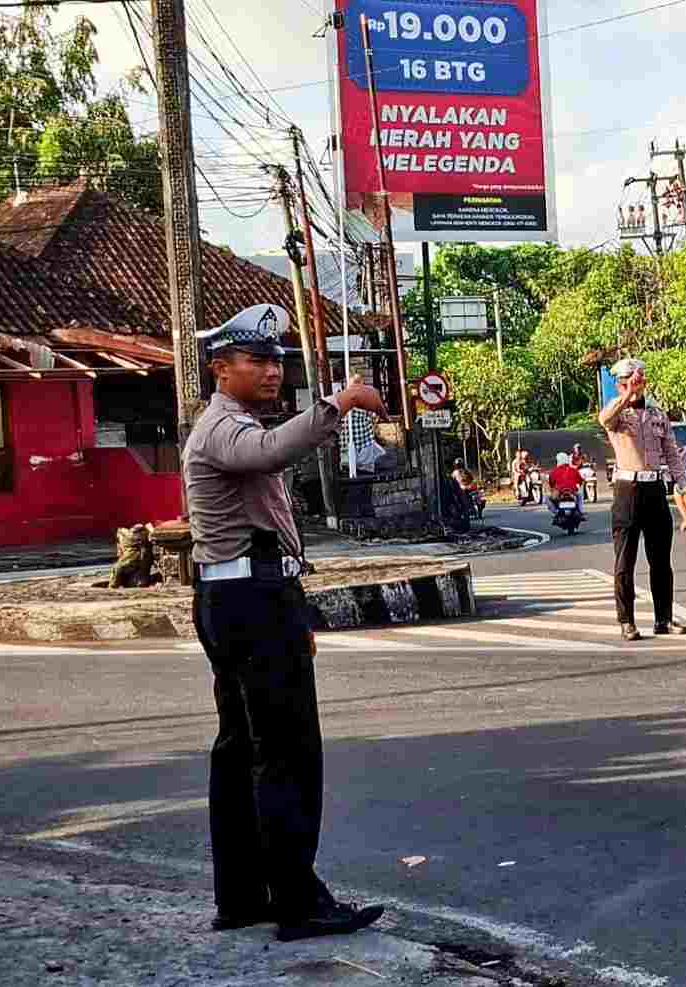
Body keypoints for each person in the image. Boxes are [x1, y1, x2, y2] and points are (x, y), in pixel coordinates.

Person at [183, 304, 386, 943]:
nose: (272, 372)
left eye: (276, 362)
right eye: (257, 361)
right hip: (249, 600)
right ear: (221, 368)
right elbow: (272, 451)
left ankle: (245, 896)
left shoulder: (234, 422)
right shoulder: (223, 427)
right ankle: (298, 903)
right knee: (286, 750)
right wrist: (341, 401)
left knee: (243, 749)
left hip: (248, 595)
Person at [599, 358, 686, 642]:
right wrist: (627, 395)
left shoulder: (657, 414)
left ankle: (664, 619)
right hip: (628, 490)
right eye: (627, 382)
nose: (635, 386)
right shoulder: (616, 413)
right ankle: (626, 621)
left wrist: (684, 485)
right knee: (625, 562)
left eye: (638, 381)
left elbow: (671, 452)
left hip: (655, 490)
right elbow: (605, 419)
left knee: (661, 561)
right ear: (619, 385)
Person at [547, 451, 585, 517]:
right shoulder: (574, 470)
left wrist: (554, 488)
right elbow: (580, 481)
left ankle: (556, 512)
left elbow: (551, 483)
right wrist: (577, 486)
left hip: (559, 491)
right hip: (572, 491)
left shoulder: (554, 471)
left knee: (547, 498)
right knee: (580, 495)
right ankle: (581, 511)